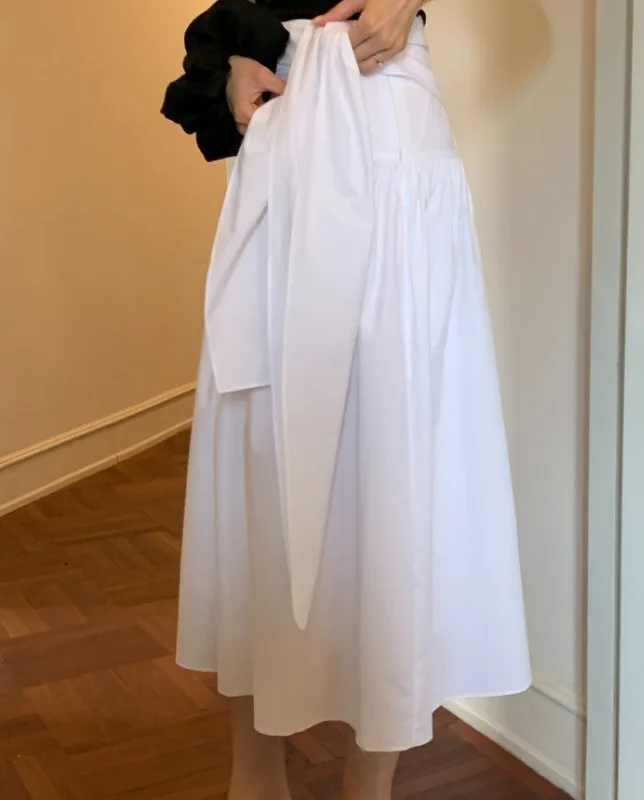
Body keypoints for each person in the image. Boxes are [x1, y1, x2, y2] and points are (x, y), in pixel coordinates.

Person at [163, 0, 532, 798]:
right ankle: (255, 776)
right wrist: (231, 59)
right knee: (258, 449)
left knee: (395, 449)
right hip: (277, 110)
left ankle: (370, 784)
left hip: (387, 107)